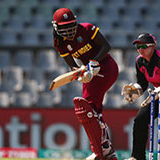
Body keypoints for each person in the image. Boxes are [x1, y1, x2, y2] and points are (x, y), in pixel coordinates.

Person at [52, 8, 118, 160]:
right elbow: (72, 66)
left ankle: (101, 149)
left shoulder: (87, 29)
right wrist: (81, 74)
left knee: (87, 108)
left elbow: (106, 46)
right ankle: (105, 149)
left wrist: (93, 62)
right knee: (90, 110)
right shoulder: (59, 42)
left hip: (106, 67)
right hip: (90, 71)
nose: (68, 32)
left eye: (70, 27)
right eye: (64, 28)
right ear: (56, 28)